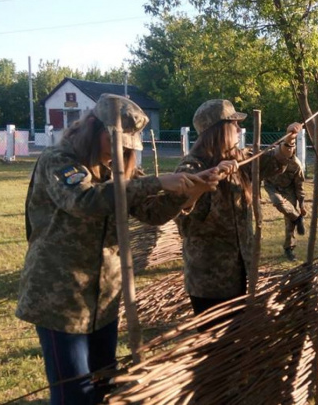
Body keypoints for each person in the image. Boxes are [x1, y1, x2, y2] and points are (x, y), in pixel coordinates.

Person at [17, 94, 219, 405]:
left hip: (104, 299)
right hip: (61, 300)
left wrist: (194, 190)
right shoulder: (58, 160)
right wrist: (158, 182)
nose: (121, 150)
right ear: (94, 128)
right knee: (74, 392)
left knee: (103, 385)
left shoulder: (117, 169)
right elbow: (84, 201)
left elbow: (152, 214)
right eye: (116, 141)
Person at [174, 99, 302, 319]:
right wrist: (207, 180)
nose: (239, 129)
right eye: (234, 124)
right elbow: (185, 222)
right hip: (210, 281)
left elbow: (273, 162)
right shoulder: (192, 168)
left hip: (241, 272)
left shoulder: (239, 158)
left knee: (236, 341)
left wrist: (289, 141)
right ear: (219, 130)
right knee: (214, 345)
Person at [263, 142, 307, 261]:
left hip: (289, 188)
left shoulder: (296, 165)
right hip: (271, 185)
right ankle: (297, 218)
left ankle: (289, 248)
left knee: (290, 221)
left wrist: (302, 204)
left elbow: (299, 186)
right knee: (278, 202)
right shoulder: (270, 156)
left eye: (290, 150)